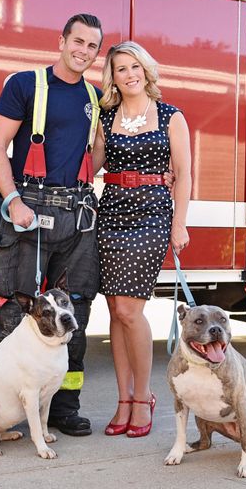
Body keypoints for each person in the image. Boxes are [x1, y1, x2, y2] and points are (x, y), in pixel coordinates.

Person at [0, 13, 104, 437]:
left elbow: (96, 153)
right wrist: (13, 202)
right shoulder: (24, 85)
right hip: (29, 211)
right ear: (62, 40)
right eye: (78, 41)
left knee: (77, 313)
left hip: (78, 216)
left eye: (92, 46)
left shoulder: (96, 96)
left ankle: (65, 407)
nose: (84, 51)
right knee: (13, 309)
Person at [92, 41, 191, 438]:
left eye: (135, 66)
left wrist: (179, 223)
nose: (129, 74)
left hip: (151, 214)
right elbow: (93, 163)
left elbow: (183, 174)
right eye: (120, 69)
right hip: (111, 211)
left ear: (146, 71)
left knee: (131, 311)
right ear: (112, 78)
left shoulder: (171, 116)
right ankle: (123, 399)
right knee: (115, 311)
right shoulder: (106, 116)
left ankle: (144, 395)